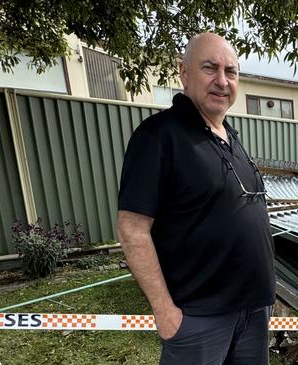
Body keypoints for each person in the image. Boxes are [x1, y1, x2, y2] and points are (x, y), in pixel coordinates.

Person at [117, 32, 275, 365]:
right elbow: (132, 229)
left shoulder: (230, 137)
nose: (222, 80)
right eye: (210, 68)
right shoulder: (159, 136)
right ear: (184, 73)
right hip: (199, 319)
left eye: (230, 72)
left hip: (252, 313)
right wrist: (165, 311)